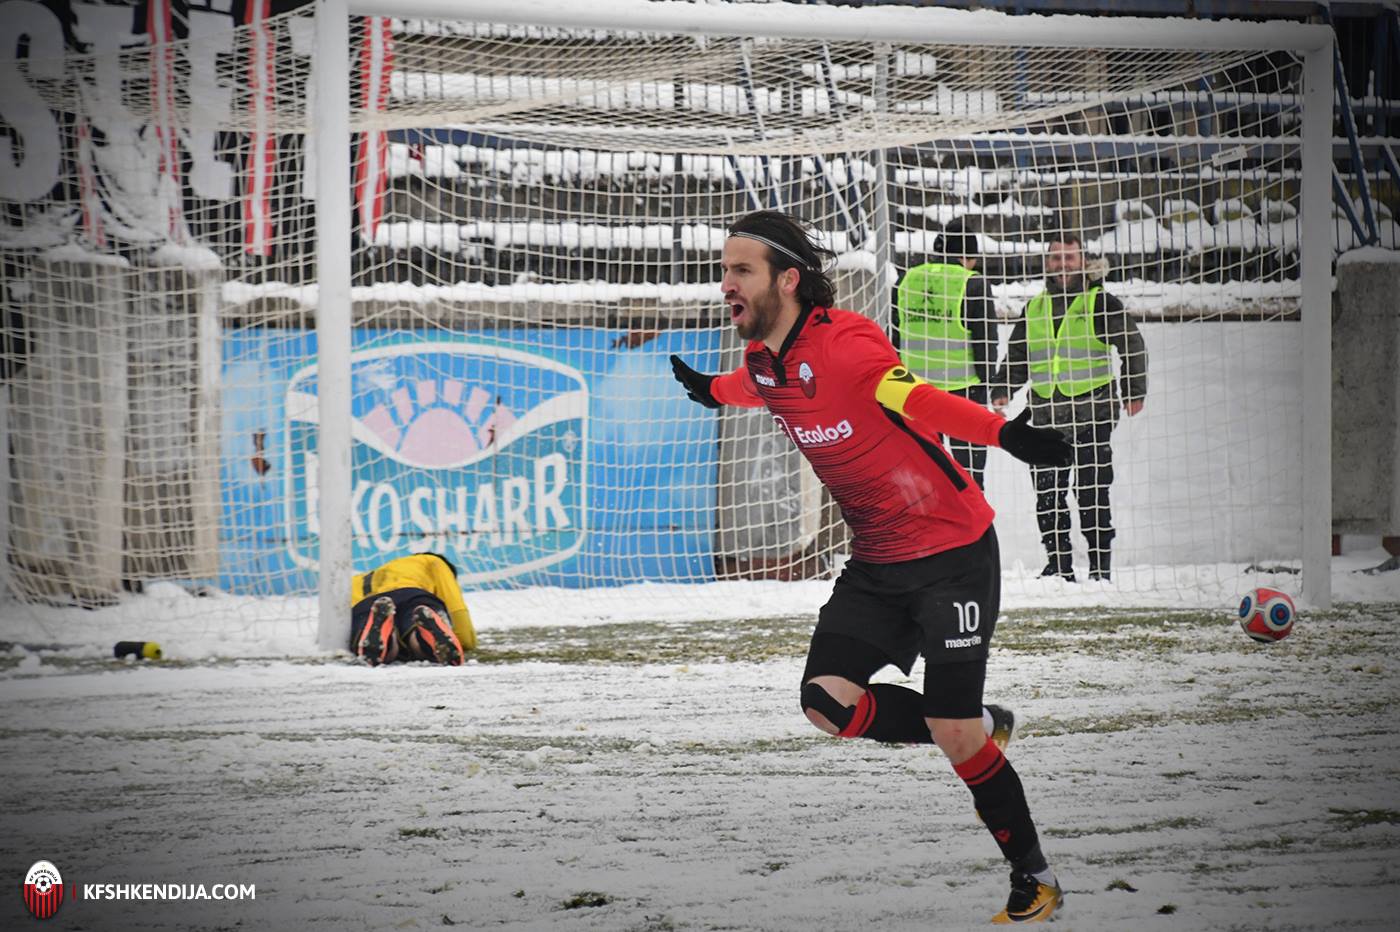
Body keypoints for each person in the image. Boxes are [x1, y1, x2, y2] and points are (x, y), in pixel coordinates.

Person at [670, 210, 1073, 924]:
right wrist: (711, 389)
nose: (726, 282)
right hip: (878, 563)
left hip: (952, 555)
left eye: (741, 270)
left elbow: (913, 398)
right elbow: (753, 386)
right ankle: (979, 723)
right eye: (724, 269)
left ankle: (1034, 877)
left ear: (787, 280)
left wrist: (1003, 434)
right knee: (827, 705)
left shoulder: (846, 342)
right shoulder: (764, 363)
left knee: (952, 733)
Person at [991, 233, 1147, 583]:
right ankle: (1058, 565)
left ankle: (1099, 568)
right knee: (1048, 495)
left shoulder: (1100, 302)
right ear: (1047, 263)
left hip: (1093, 415)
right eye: (1056, 258)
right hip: (1045, 416)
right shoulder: (1035, 307)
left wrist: (1134, 390)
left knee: (1092, 492)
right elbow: (1018, 356)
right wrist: (1002, 389)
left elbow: (1133, 344)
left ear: (1082, 262)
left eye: (1069, 258)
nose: (1062, 264)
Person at [895, 224, 999, 488]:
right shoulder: (973, 283)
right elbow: (986, 341)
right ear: (967, 257)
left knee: (927, 475)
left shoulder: (906, 280)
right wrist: (989, 383)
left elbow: (894, 336)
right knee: (970, 478)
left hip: (915, 392)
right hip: (964, 392)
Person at [350, 552, 477, 665]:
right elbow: (455, 605)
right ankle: (424, 640)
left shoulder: (360, 578)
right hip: (413, 595)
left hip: (368, 603)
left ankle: (382, 642)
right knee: (415, 634)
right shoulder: (432, 560)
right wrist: (463, 641)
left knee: (366, 625)